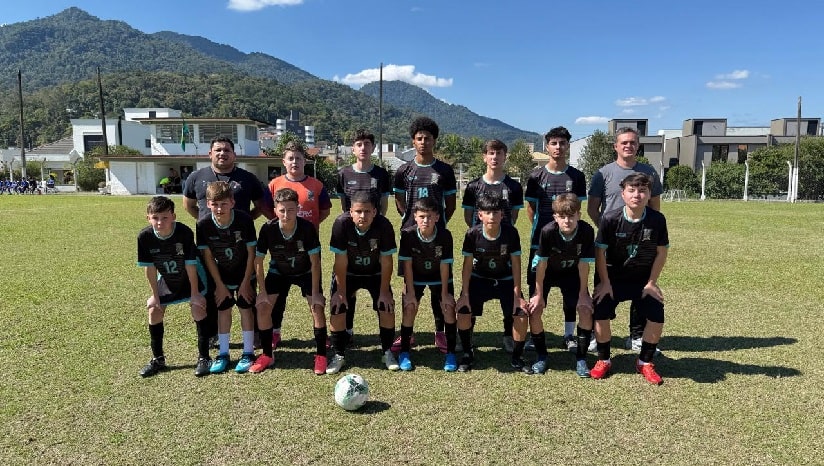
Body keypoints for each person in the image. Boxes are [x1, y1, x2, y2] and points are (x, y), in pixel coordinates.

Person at [183, 136, 272, 346]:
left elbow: (261, 205)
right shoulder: (196, 177)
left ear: (234, 154)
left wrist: (245, 220)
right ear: (210, 154)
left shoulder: (247, 178)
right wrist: (208, 224)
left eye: (226, 150)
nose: (222, 153)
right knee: (212, 290)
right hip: (211, 244)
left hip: (240, 245)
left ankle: (254, 334)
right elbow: (188, 205)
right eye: (218, 150)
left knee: (247, 291)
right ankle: (213, 334)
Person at [587, 127, 663, 352]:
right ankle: (595, 333)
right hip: (612, 243)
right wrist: (608, 230)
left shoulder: (649, 172)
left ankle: (637, 336)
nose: (628, 146)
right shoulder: (603, 173)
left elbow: (655, 207)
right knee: (603, 287)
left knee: (641, 287)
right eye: (624, 142)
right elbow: (592, 208)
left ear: (638, 146)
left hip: (641, 241)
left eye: (632, 142)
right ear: (615, 146)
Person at [591, 173, 669, 385]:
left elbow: (661, 252)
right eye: (632, 190)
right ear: (623, 193)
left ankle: (645, 362)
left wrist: (652, 283)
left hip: (642, 280)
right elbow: (600, 253)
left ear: (649, 194)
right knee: (600, 311)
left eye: (642, 190)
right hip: (613, 278)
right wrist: (604, 283)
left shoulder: (657, 220)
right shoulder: (610, 218)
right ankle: (603, 359)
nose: (637, 195)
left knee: (656, 315)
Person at [393, 116, 457, 353]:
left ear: (434, 140)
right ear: (413, 141)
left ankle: (440, 332)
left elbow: (451, 204)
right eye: (419, 138)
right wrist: (410, 220)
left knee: (440, 286)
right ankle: (407, 333)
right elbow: (399, 200)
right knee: (410, 286)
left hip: (437, 235)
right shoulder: (403, 170)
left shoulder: (444, 171)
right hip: (411, 236)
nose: (423, 142)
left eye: (427, 138)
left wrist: (438, 223)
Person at [524, 126, 588, 353]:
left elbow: (578, 209)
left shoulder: (577, 176)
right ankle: (534, 335)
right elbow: (530, 209)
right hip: (541, 242)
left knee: (571, 291)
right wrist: (544, 230)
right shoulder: (536, 176)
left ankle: (569, 335)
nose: (558, 147)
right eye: (554, 143)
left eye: (562, 143)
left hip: (570, 243)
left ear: (568, 146)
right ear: (547, 146)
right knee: (537, 289)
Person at [250, 188, 327, 375]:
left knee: (317, 307)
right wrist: (262, 292)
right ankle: (267, 354)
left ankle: (321, 355)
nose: (286, 214)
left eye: (291, 210)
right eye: (282, 210)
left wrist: (315, 292)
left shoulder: (307, 228)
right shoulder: (268, 229)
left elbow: (315, 262)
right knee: (263, 307)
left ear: (298, 209)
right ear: (275, 210)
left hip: (305, 271)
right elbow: (258, 261)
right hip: (279, 271)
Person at [455, 193, 530, 373]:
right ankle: (467, 353)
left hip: (505, 280)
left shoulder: (510, 233)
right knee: (463, 311)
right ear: (480, 215)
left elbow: (516, 265)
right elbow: (467, 266)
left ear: (502, 215)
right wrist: (464, 294)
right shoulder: (472, 234)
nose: (492, 216)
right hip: (479, 279)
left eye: (495, 212)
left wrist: (517, 296)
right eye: (487, 212)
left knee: (521, 314)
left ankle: (517, 357)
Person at [462, 139, 524, 353]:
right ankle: (467, 335)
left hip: (504, 245)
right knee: (473, 292)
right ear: (484, 157)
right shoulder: (473, 186)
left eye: (499, 153)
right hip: (481, 245)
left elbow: (513, 216)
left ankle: (508, 335)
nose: (495, 157)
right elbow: (468, 216)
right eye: (491, 153)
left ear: (505, 156)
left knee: (509, 296)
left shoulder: (514, 186)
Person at [136, 196, 208, 377]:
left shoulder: (183, 232)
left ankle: (204, 357)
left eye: (165, 217)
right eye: (155, 218)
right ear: (148, 218)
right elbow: (150, 269)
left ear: (173, 217)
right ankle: (158, 359)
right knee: (154, 310)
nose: (160, 222)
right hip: (167, 278)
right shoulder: (144, 237)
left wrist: (195, 293)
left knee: (197, 307)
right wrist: (155, 296)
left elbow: (190, 264)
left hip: (191, 276)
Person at [327, 191, 397, 374]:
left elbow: (387, 261)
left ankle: (387, 352)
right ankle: (338, 354)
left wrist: (384, 292)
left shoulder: (384, 225)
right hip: (349, 272)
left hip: (375, 272)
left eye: (367, 211)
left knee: (386, 306)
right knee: (337, 307)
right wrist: (341, 292)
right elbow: (340, 261)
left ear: (375, 212)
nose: (362, 216)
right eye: (358, 211)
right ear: (350, 211)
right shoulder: (341, 224)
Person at [526, 194, 595, 376]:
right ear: (555, 217)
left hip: (571, 273)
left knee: (585, 309)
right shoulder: (548, 231)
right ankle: (541, 356)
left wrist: (583, 294)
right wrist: (538, 294)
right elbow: (541, 264)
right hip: (547, 272)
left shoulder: (586, 231)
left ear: (579, 215)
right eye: (562, 216)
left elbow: (584, 264)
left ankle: (581, 358)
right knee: (535, 309)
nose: (567, 220)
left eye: (571, 216)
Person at [196, 181, 257, 374]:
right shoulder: (203, 224)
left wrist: (246, 282)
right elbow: (207, 257)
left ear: (232, 202)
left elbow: (252, 253)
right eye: (214, 204)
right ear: (208, 204)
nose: (219, 208)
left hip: (244, 272)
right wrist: (219, 285)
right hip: (221, 274)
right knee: (223, 309)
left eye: (223, 204)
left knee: (246, 308)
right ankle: (223, 353)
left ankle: (248, 352)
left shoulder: (244, 220)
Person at [397, 197, 457, 371]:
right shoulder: (407, 235)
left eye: (430, 216)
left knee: (448, 308)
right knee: (409, 307)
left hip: (439, 277)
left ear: (437, 217)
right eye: (422, 216)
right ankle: (404, 351)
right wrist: (409, 292)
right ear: (415, 217)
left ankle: (451, 353)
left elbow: (445, 266)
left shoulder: (445, 235)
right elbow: (407, 265)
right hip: (416, 277)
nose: (426, 220)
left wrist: (445, 294)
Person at [268, 140, 332, 230]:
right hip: (281, 235)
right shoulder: (274, 184)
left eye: (298, 158)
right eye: (290, 158)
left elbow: (325, 211)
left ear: (304, 161)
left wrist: (311, 225)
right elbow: (265, 208)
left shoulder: (317, 185)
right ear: (284, 162)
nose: (294, 162)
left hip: (309, 236)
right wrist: (278, 221)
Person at [335, 128, 392, 216]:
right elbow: (343, 206)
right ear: (353, 149)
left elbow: (383, 206)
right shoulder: (343, 174)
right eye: (359, 145)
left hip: (375, 223)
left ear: (373, 148)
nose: (363, 148)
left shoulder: (382, 174)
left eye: (367, 144)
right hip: (351, 223)